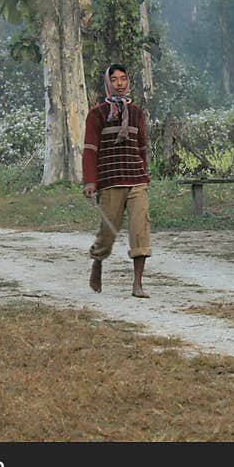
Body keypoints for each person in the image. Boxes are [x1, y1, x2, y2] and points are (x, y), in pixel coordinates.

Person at [82, 64, 151, 298]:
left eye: (123, 78)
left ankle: (137, 284)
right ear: (108, 83)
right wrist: (90, 181)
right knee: (108, 232)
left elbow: (142, 147)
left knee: (140, 229)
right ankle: (97, 262)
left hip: (136, 179)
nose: (120, 83)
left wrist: (145, 173)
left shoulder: (138, 113)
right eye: (115, 79)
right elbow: (90, 150)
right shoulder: (97, 114)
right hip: (110, 180)